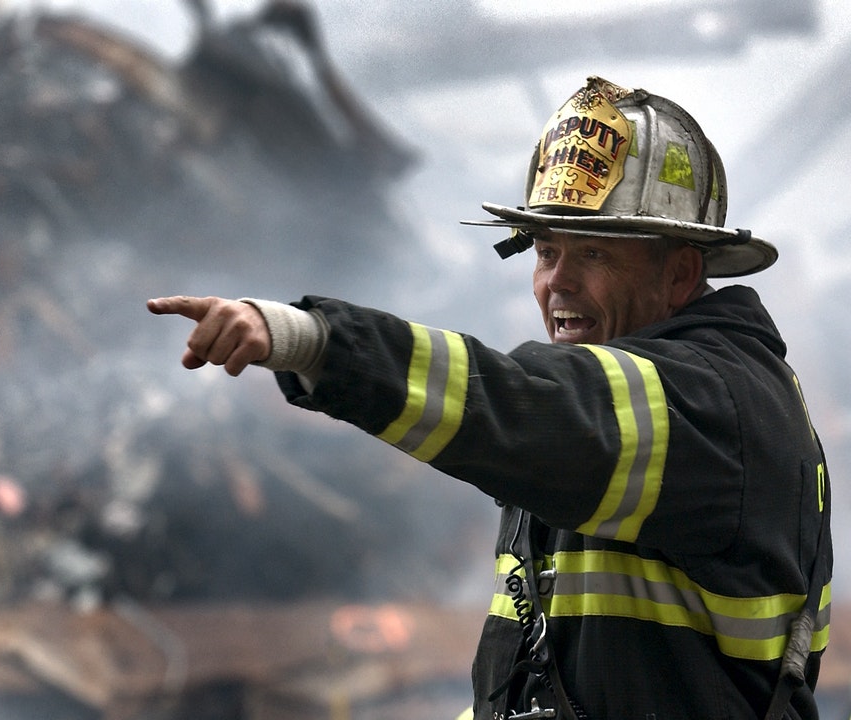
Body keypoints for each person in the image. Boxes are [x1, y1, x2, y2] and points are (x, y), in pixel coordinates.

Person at [148, 76, 833, 719]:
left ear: (680, 273)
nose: (557, 283)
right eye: (546, 252)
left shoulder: (713, 404)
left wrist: (314, 340)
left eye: (594, 254)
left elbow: (521, 404)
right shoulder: (609, 439)